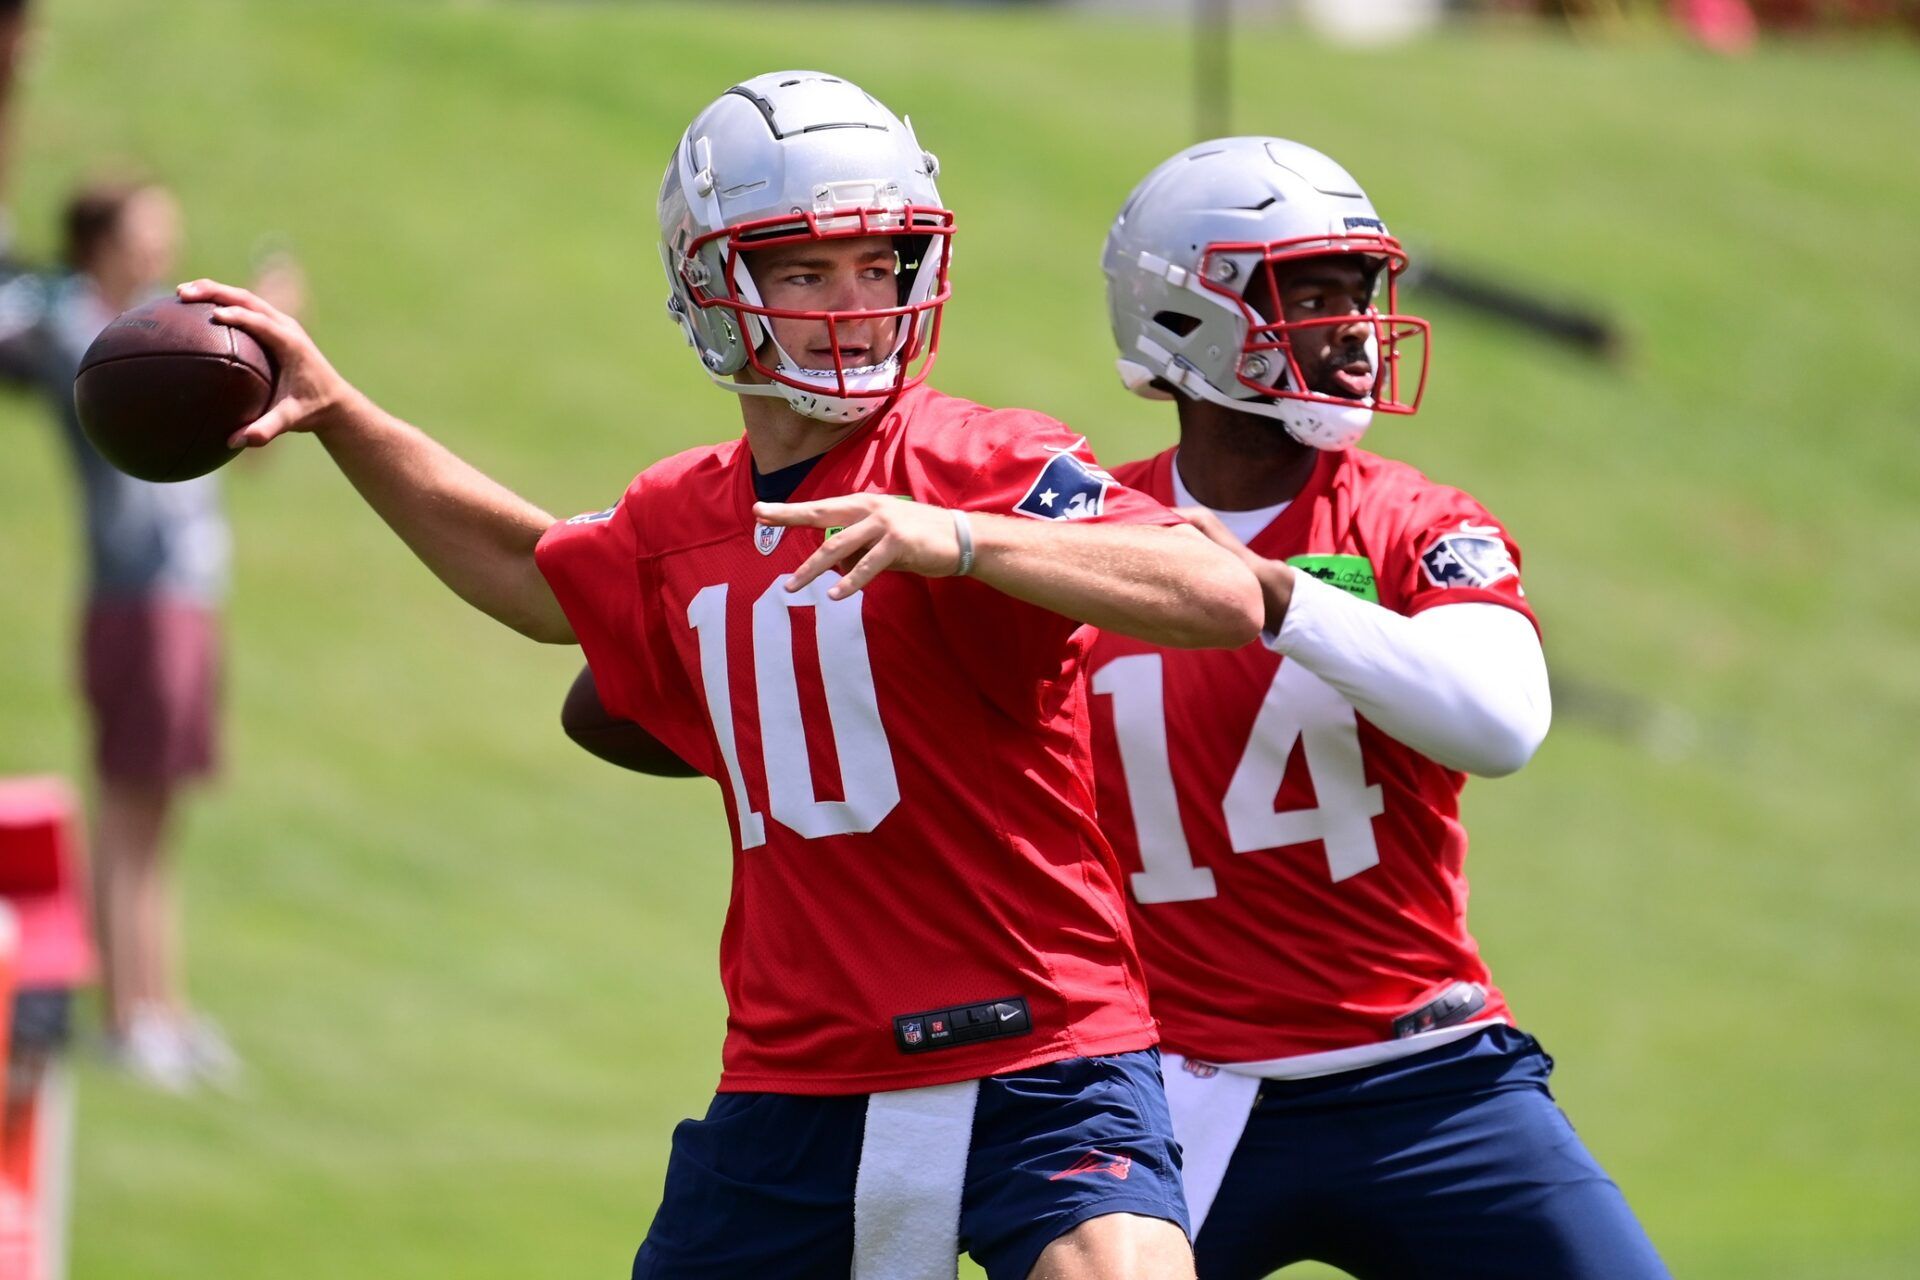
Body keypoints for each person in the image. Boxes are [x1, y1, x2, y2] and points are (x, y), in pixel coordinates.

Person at [181, 72, 1264, 1280]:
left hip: (1044, 1049)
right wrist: (340, 413)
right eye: (806, 270)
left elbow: (1217, 591)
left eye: (879, 264)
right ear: (716, 286)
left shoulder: (978, 459)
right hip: (801, 1073)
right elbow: (533, 573)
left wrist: (959, 539)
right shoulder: (677, 516)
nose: (855, 305)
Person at [1085, 137, 1671, 1279]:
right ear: (1188, 315)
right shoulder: (1086, 538)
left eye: (1359, 293)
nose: (1356, 327)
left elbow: (1499, 721)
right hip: (1184, 1087)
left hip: (1430, 1073)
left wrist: (1273, 593)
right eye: (1312, 295)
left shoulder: (1415, 521)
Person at [0, 178, 297, 1092]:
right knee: (128, 812)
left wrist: (275, 350)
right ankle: (125, 1018)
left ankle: (160, 1008)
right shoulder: (85, 335)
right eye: (144, 231)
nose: (162, 247)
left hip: (184, 594)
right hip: (133, 599)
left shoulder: (148, 328)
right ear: (100, 243)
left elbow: (251, 444)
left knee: (160, 816)